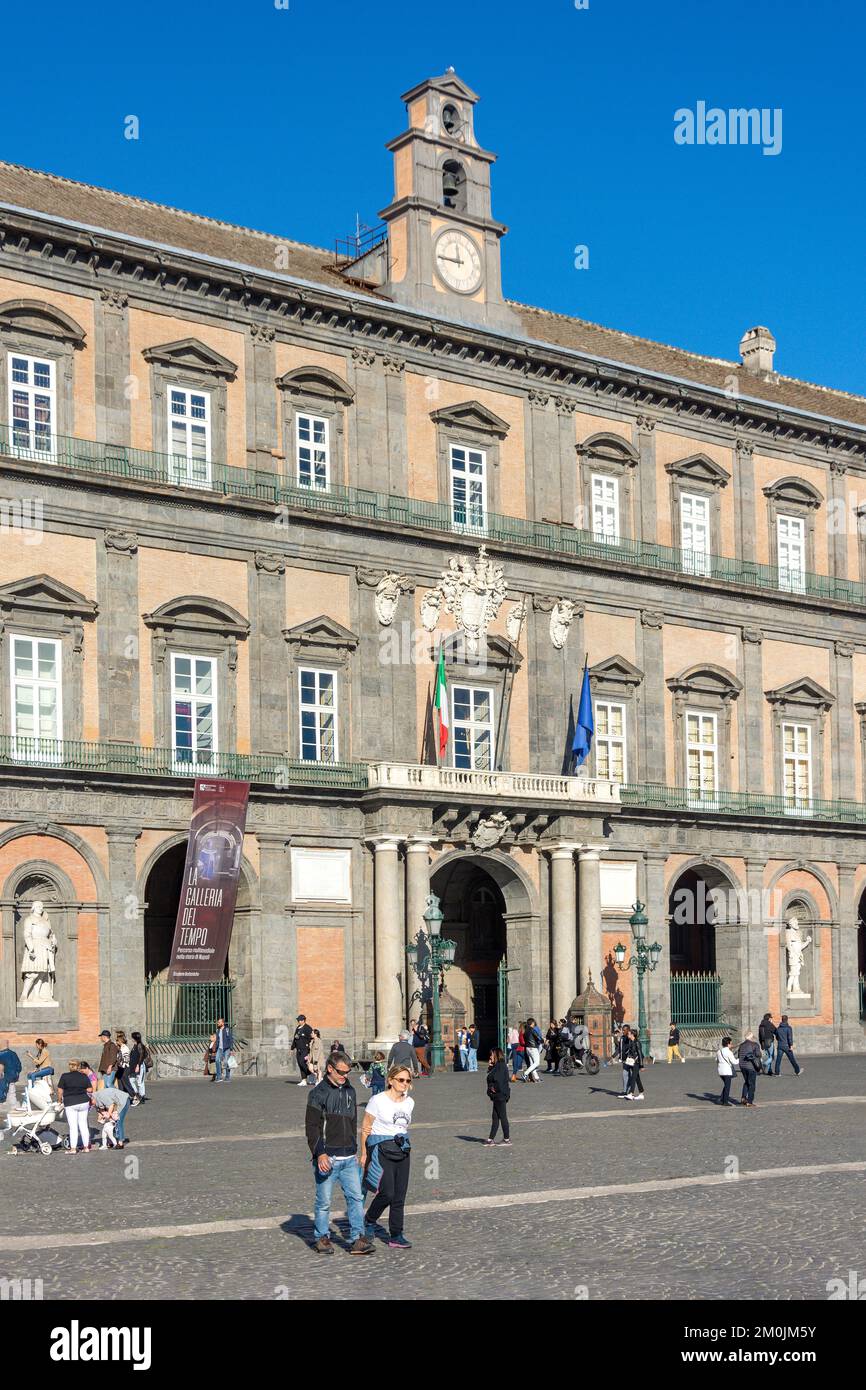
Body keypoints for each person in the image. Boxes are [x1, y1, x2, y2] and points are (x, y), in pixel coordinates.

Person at [305, 1049, 373, 1256]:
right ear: (330, 1069)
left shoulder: (350, 1090)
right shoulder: (317, 1094)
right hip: (328, 1157)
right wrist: (320, 1154)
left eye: (347, 1073)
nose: (345, 1076)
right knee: (324, 1202)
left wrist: (357, 1150)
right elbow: (312, 1127)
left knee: (355, 1199)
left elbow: (352, 1124)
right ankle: (322, 1238)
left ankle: (357, 1239)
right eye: (341, 1072)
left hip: (349, 1157)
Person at [360, 1063, 415, 1248]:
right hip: (381, 1148)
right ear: (391, 1080)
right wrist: (363, 1153)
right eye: (401, 1080)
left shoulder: (410, 1102)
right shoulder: (377, 1100)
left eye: (407, 1080)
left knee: (399, 1195)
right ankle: (369, 1219)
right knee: (387, 1192)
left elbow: (403, 1127)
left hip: (402, 1150)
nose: (404, 1083)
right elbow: (366, 1128)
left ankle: (396, 1235)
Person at [57, 1060, 94, 1155]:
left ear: (69, 1067)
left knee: (73, 1127)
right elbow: (90, 1089)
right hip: (84, 1101)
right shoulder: (84, 1076)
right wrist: (81, 1088)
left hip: (70, 1102)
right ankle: (86, 1147)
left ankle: (73, 1149)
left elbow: (60, 1090)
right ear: (78, 1067)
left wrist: (59, 1100)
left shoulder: (64, 1076)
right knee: (83, 1124)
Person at [484, 1046, 511, 1146]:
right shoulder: (497, 1065)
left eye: (491, 1054)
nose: (490, 1057)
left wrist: (493, 1089)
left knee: (503, 1117)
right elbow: (492, 1076)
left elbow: (497, 1080)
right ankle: (490, 1139)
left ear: (495, 1054)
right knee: (495, 1117)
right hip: (498, 1096)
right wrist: (490, 1067)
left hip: (500, 1095)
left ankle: (507, 1139)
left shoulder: (500, 1065)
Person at [93, 1082, 131, 1147]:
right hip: (117, 1103)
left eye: (90, 1103)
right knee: (112, 1122)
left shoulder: (101, 1096)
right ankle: (114, 1141)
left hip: (123, 1100)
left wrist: (108, 1115)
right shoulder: (94, 1100)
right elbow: (100, 1111)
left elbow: (111, 1105)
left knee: (118, 1121)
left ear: (92, 1099)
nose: (90, 1105)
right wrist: (100, 1118)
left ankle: (120, 1142)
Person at [738, 1031, 761, 1107]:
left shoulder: (741, 1045)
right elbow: (758, 1055)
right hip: (751, 1067)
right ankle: (749, 1101)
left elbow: (739, 1055)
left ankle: (743, 1098)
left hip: (742, 1066)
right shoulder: (755, 1045)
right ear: (751, 1037)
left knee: (747, 1082)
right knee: (752, 1085)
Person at [128, 1032, 151, 1104]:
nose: (131, 1038)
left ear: (135, 1038)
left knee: (140, 1082)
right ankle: (137, 1094)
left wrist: (138, 1065)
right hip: (133, 1066)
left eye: (132, 1037)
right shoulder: (135, 1045)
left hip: (139, 1066)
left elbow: (141, 1056)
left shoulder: (140, 1045)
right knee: (131, 1080)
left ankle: (142, 1097)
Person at [291, 1014, 314, 1086]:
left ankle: (312, 1074)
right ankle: (303, 1080)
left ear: (303, 1020)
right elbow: (295, 1038)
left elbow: (312, 1038)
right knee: (300, 1064)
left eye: (300, 1020)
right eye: (298, 1020)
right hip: (299, 1049)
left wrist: (310, 1047)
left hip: (305, 1049)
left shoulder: (308, 1028)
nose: (298, 1021)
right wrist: (292, 1047)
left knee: (302, 1063)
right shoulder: (298, 1028)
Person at [716, 1035, 738, 1106]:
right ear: (728, 1044)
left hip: (720, 1071)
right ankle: (725, 1102)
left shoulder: (719, 1051)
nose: (731, 1045)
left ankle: (722, 1098)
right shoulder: (729, 1052)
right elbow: (735, 1062)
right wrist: (740, 1059)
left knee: (726, 1085)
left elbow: (716, 1060)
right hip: (727, 1071)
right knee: (727, 1086)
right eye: (731, 1043)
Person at [624, 1029, 645, 1100]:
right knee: (637, 1078)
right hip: (632, 1062)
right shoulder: (631, 1042)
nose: (628, 1035)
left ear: (632, 1035)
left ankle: (631, 1093)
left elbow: (640, 1054)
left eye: (629, 1034)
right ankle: (641, 1093)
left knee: (633, 1077)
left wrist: (642, 1066)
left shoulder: (637, 1042)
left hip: (637, 1062)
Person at [522, 1017, 544, 1082]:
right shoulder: (532, 1029)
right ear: (532, 1023)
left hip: (527, 1048)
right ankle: (525, 1073)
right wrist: (542, 1040)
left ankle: (536, 1078)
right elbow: (538, 1037)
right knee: (537, 1063)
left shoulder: (525, 1031)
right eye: (533, 1022)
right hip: (533, 1047)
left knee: (532, 1064)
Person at [115, 1031, 135, 1098]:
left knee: (126, 1083)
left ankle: (135, 1096)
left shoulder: (125, 1048)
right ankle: (123, 1098)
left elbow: (126, 1059)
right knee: (120, 1083)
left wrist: (121, 1064)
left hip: (124, 1067)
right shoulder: (120, 1048)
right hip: (120, 1067)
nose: (116, 1042)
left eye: (117, 1040)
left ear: (120, 1041)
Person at [215, 1017, 234, 1083]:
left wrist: (231, 1049)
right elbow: (217, 1040)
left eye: (219, 1022)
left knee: (226, 1062)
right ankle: (219, 1077)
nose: (218, 1023)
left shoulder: (227, 1029)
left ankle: (227, 1077)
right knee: (217, 1060)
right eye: (218, 1022)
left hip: (226, 1048)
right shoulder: (217, 1030)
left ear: (222, 1023)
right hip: (219, 1048)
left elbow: (230, 1039)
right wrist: (216, 1047)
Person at [615, 1025, 632, 1097]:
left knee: (630, 1075)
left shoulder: (630, 1038)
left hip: (630, 1059)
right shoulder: (622, 1038)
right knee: (625, 1074)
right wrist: (614, 1055)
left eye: (624, 1030)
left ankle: (629, 1091)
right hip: (624, 1059)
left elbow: (631, 1047)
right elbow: (619, 1048)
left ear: (628, 1030)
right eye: (622, 1030)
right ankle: (625, 1091)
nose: (623, 1031)